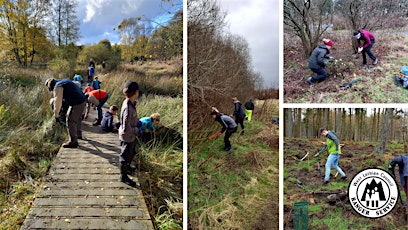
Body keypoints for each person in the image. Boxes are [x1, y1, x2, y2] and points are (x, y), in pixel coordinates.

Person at [45, 78, 87, 148]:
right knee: (77, 118)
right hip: (82, 101)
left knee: (70, 120)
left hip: (76, 103)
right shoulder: (64, 81)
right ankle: (78, 134)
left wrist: (56, 115)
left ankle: (73, 141)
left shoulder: (58, 86)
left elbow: (57, 102)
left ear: (50, 86)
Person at [118, 81, 140, 187]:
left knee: (132, 152)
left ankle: (128, 168)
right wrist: (136, 129)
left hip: (130, 136)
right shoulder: (128, 107)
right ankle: (123, 176)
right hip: (127, 136)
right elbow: (127, 128)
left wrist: (137, 122)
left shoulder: (130, 102)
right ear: (135, 93)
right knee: (125, 157)